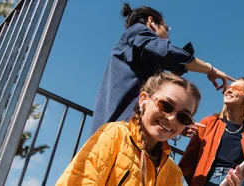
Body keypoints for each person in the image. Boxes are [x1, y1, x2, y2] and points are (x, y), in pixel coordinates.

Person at [91, 3, 234, 132]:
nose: (167, 38)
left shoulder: (140, 58)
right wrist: (210, 69)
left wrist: (178, 123)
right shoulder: (138, 32)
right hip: (120, 133)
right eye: (166, 30)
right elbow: (164, 52)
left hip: (120, 132)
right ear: (151, 22)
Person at [57, 73, 201, 185]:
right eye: (166, 106)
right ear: (143, 100)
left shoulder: (174, 173)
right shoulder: (114, 135)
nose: (171, 119)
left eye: (183, 117)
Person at [179, 78, 244, 186]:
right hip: (210, 179)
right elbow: (188, 160)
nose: (229, 90)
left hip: (242, 182)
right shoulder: (208, 123)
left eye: (237, 88)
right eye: (229, 87)